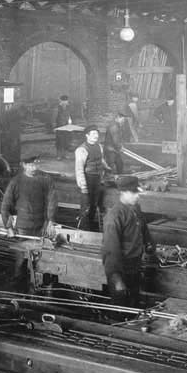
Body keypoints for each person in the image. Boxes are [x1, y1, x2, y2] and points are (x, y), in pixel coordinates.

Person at [1, 154, 58, 289]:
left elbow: (52, 200)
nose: (34, 167)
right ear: (24, 165)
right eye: (30, 165)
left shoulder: (45, 179)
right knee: (21, 259)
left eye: (36, 164)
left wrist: (51, 221)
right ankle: (18, 284)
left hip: (41, 226)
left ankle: (37, 285)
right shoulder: (16, 181)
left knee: (40, 258)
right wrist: (8, 227)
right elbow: (5, 206)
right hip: (23, 227)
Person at [101, 176, 152, 308]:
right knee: (122, 305)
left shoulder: (135, 209)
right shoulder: (114, 216)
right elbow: (110, 251)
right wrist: (116, 278)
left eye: (137, 192)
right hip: (122, 269)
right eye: (133, 192)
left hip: (135, 265)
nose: (137, 196)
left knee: (134, 302)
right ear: (122, 192)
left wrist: (149, 246)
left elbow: (143, 229)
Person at [74, 125, 112, 231]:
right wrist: (83, 186)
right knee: (86, 206)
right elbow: (79, 169)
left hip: (97, 179)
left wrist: (107, 167)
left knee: (94, 204)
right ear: (87, 135)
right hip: (88, 180)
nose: (96, 136)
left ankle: (90, 226)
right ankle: (82, 228)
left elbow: (101, 159)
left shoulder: (99, 146)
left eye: (97, 133)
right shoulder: (81, 150)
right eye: (93, 133)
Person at [52, 95, 73, 160]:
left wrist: (70, 123)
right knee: (59, 141)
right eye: (63, 101)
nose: (65, 102)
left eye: (66, 101)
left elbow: (70, 116)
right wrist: (54, 127)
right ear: (60, 101)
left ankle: (65, 154)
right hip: (59, 127)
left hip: (67, 127)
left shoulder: (69, 108)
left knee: (67, 140)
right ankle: (59, 155)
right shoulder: (57, 108)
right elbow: (53, 118)